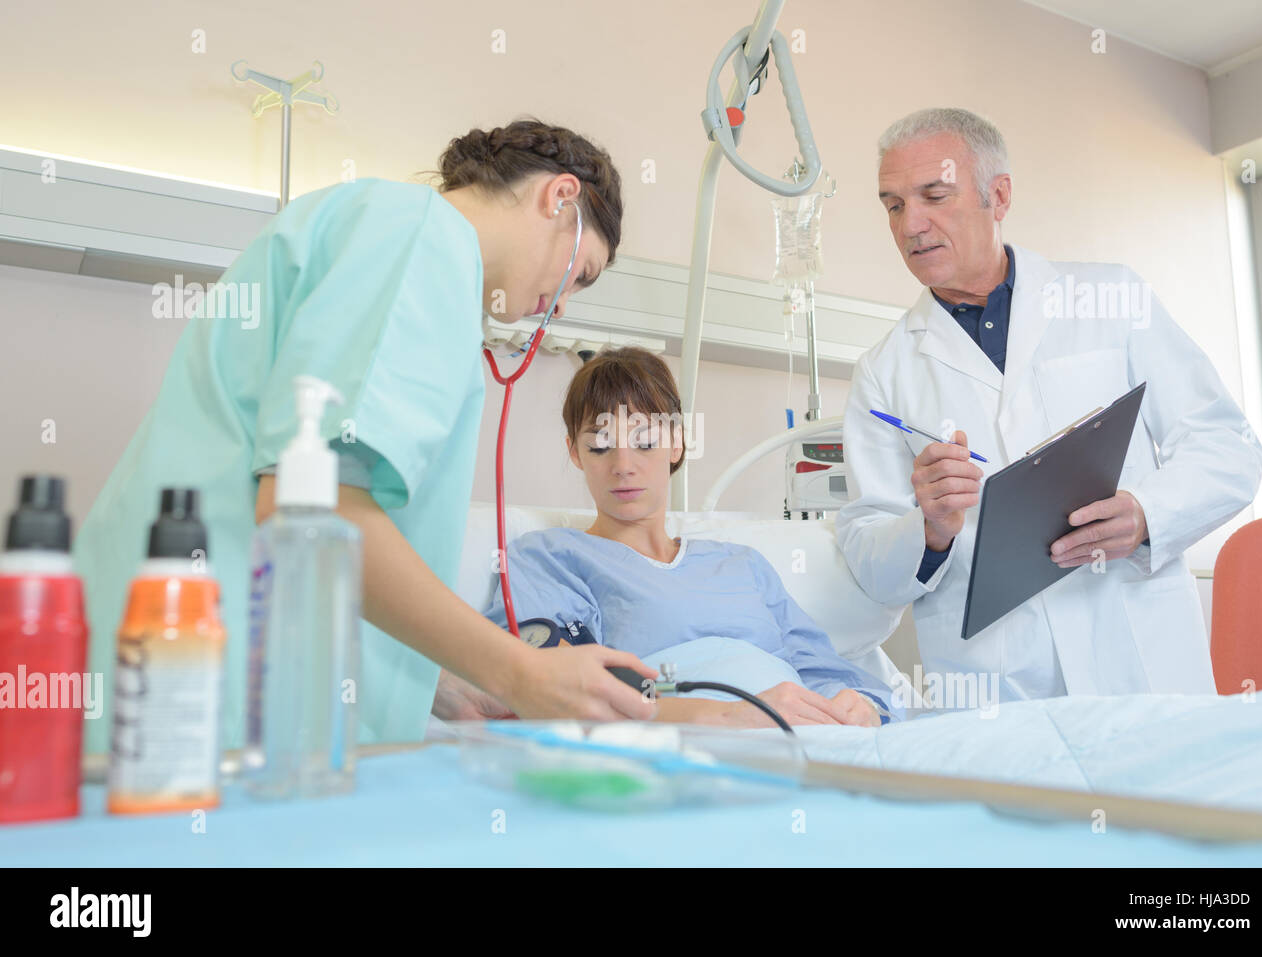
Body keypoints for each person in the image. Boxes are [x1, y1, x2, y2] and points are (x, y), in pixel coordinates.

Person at [75, 119, 656, 756]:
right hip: (204, 691)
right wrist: (522, 673)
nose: (563, 306)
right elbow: (313, 507)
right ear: (559, 197)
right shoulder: (423, 238)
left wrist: (428, 677)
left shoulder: (377, 229)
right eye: (581, 273)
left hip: (163, 655)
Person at [835, 107, 1262, 703]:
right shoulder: (884, 372)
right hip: (998, 685)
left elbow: (1228, 447)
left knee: (1168, 797)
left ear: (999, 196)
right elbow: (869, 559)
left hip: (1139, 654)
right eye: (894, 205)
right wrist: (928, 529)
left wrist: (1146, 513)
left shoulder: (1110, 298)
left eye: (934, 195)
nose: (912, 224)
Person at [436, 348, 893, 728]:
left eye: (645, 440)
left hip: (817, 740)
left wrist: (865, 708)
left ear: (677, 444)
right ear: (575, 452)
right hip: (688, 751)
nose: (623, 464)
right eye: (600, 444)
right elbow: (554, 694)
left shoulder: (743, 565)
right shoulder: (551, 558)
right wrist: (728, 716)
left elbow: (825, 672)